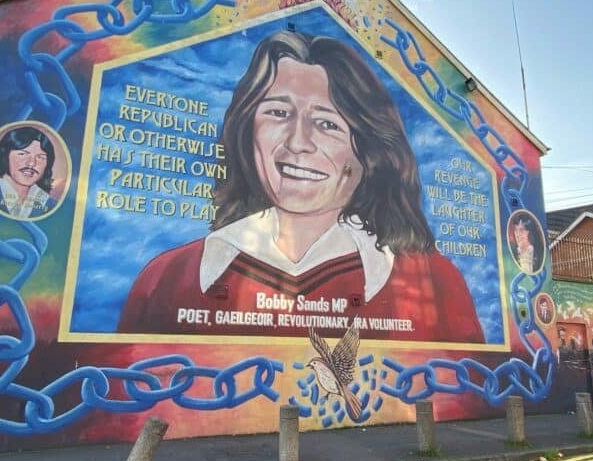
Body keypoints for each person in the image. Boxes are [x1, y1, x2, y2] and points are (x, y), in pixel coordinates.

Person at [118, 30, 485, 343]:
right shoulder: (168, 279)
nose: (297, 143)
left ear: (368, 150)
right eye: (278, 113)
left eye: (327, 124)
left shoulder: (434, 285)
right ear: (248, 131)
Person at [0, 126, 57, 219]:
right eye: (22, 154)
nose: (31, 163)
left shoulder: (50, 204)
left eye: (40, 157)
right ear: (5, 156)